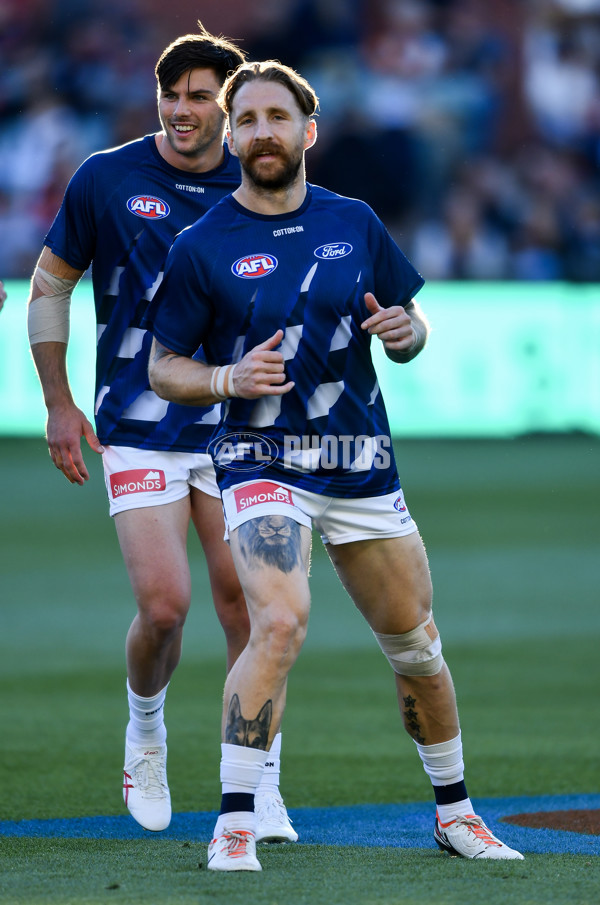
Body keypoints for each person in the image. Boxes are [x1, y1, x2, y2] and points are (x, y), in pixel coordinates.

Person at [147, 59, 525, 871]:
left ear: (307, 131)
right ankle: (237, 821)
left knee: (417, 645)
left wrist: (406, 333)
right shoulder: (200, 245)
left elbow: (411, 320)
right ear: (230, 135)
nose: (261, 133)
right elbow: (162, 366)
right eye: (244, 120)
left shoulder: (354, 221)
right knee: (278, 622)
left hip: (358, 460)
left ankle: (456, 814)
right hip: (259, 458)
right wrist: (224, 379)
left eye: (275, 118)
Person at [26, 28, 297, 843]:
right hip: (137, 425)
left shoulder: (260, 181)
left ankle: (259, 784)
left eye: (198, 98)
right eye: (169, 95)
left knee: (250, 611)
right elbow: (49, 287)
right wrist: (58, 401)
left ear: (229, 105)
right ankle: (146, 729)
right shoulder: (106, 178)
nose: (181, 111)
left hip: (235, 427)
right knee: (167, 607)